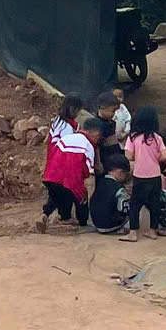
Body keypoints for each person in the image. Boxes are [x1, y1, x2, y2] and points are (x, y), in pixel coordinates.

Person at [40, 95, 93, 225]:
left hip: (53, 160)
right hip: (63, 162)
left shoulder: (58, 121)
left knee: (55, 193)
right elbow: (69, 146)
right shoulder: (67, 127)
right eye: (79, 110)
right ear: (73, 109)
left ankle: (46, 214)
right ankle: (69, 218)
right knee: (68, 189)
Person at [123, 104, 166, 232]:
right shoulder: (157, 138)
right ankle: (153, 231)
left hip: (140, 175)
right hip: (155, 175)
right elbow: (165, 156)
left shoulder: (133, 138)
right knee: (154, 203)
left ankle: (133, 232)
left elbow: (128, 156)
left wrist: (139, 157)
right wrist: (155, 158)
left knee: (135, 204)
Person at [87, 154, 133, 230]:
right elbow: (124, 209)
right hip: (111, 225)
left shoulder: (99, 183)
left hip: (97, 223)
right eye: (125, 174)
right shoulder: (118, 188)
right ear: (120, 172)